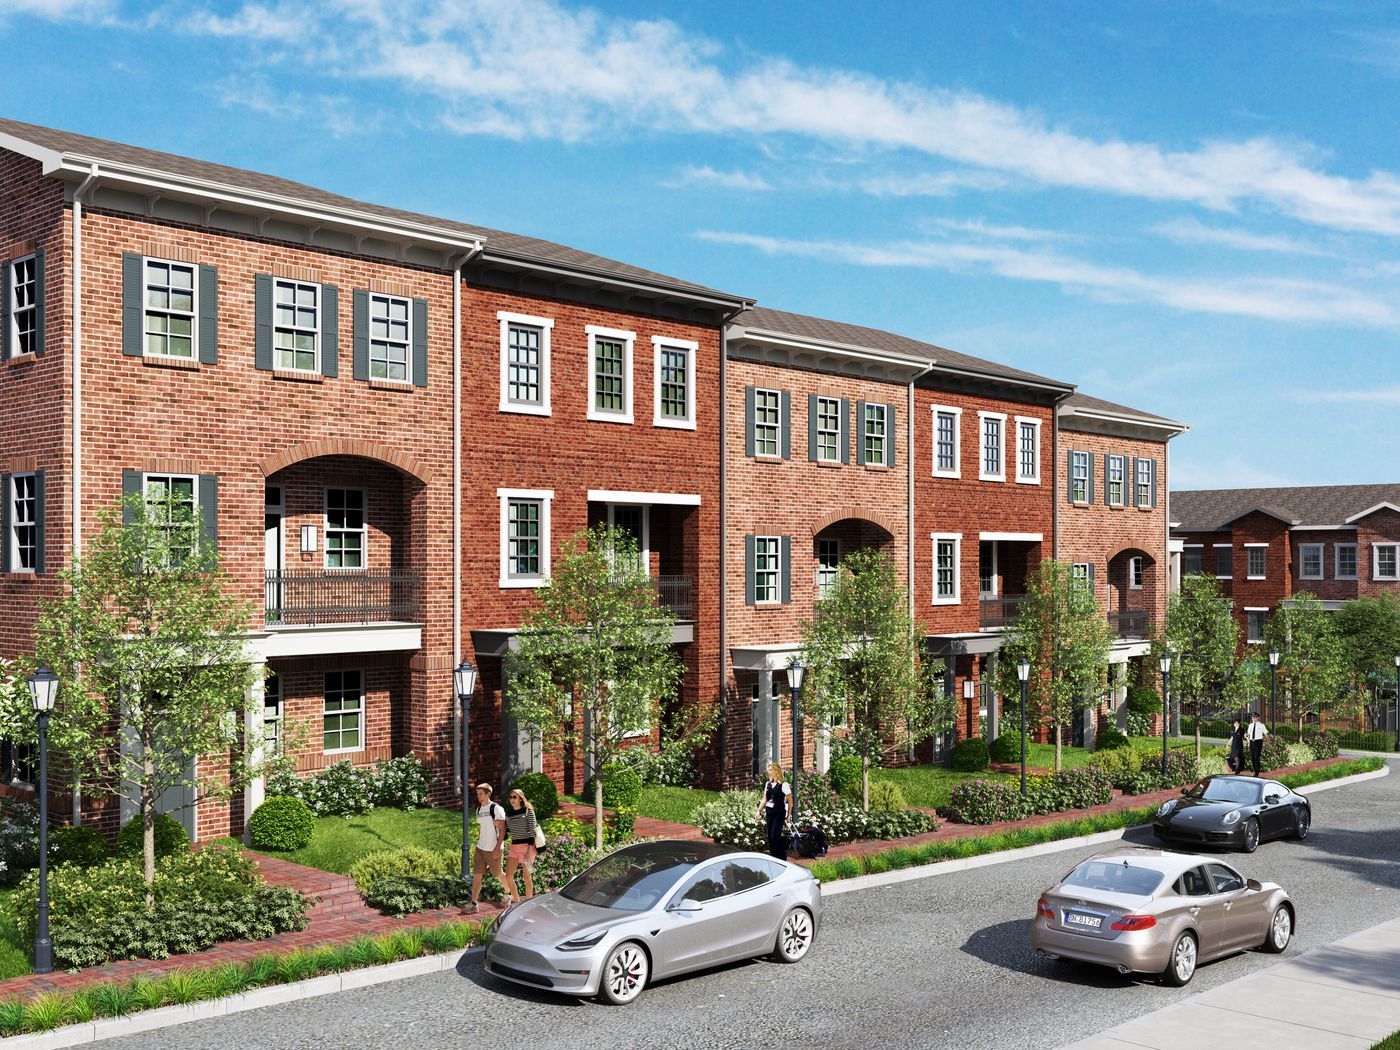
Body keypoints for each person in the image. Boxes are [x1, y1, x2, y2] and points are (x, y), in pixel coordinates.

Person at [467, 783, 507, 912]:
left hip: (493, 848)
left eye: (481, 794)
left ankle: (508, 892)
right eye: (477, 794)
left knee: (498, 873)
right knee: (477, 874)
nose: (479, 797)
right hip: (481, 847)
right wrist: (480, 840)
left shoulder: (496, 808)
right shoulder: (479, 810)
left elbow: (502, 830)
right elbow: (482, 828)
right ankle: (474, 903)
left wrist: (498, 847)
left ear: (488, 794)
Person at [502, 788, 538, 905]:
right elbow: (507, 831)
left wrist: (529, 850)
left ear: (520, 798)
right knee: (508, 876)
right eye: (510, 797)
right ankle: (517, 902)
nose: (512, 799)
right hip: (514, 847)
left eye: (514, 797)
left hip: (528, 847)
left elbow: (533, 831)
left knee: (527, 877)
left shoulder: (528, 811)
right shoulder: (508, 814)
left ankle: (528, 902)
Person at [755, 762, 792, 861]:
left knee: (775, 836)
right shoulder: (768, 784)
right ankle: (774, 859)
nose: (769, 772)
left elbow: (790, 801)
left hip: (779, 813)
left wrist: (788, 815)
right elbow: (764, 799)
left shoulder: (784, 784)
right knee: (770, 838)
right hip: (769, 813)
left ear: (776, 771)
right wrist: (758, 811)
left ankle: (782, 858)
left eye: (771, 770)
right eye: (769, 770)